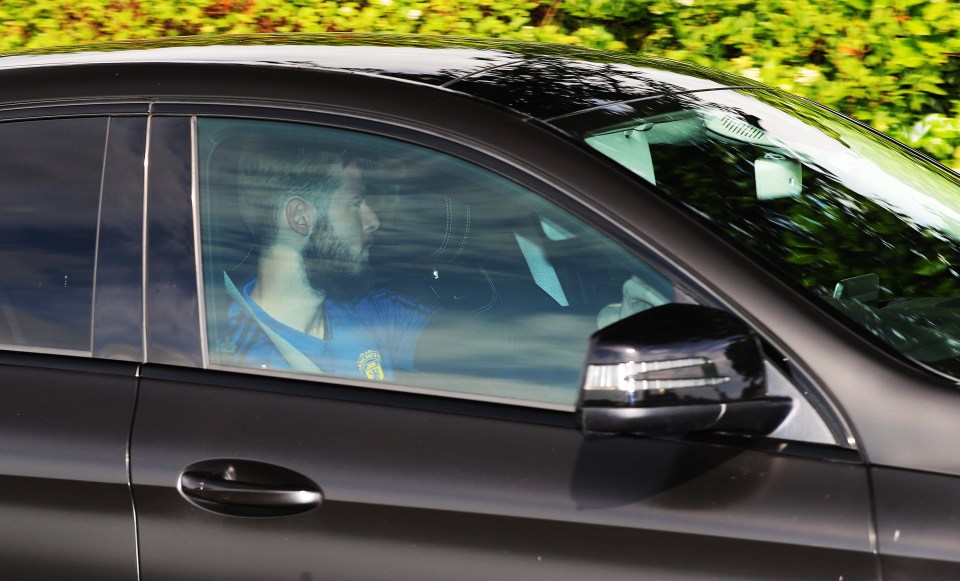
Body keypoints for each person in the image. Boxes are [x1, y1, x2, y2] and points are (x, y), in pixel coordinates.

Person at [223, 144, 434, 381]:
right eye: (355, 204)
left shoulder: (367, 309)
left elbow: (464, 343)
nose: (373, 220)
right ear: (300, 218)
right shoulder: (236, 360)